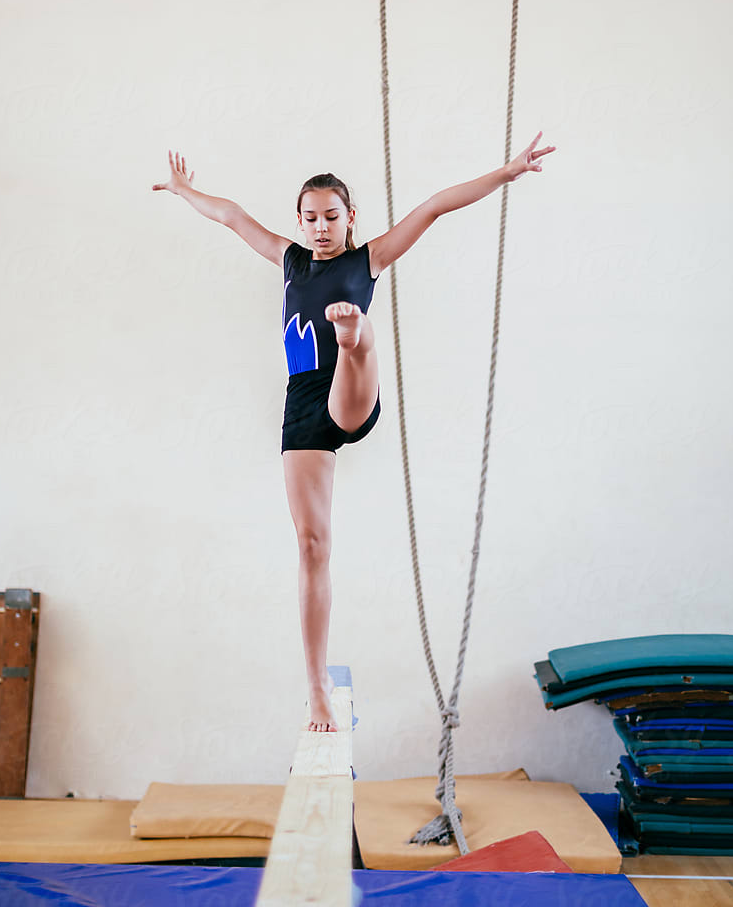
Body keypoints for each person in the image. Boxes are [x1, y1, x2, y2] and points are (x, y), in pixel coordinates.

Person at [152, 133, 555, 731]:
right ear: (300, 221)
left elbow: (435, 206)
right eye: (310, 218)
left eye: (331, 217)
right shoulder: (288, 259)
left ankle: (354, 336)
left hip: (350, 391)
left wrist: (506, 172)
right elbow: (232, 216)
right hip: (302, 407)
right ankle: (315, 686)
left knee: (354, 341)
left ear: (350, 218)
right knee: (312, 546)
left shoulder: (367, 258)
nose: (320, 228)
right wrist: (186, 191)